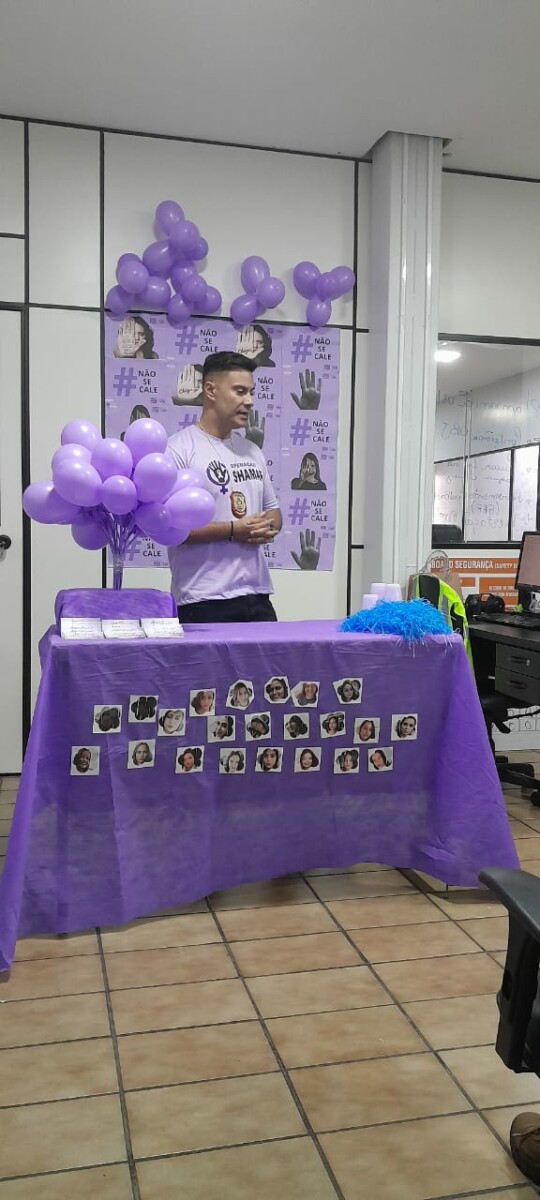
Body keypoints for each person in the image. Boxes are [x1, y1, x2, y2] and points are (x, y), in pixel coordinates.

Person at [167, 351, 282, 623]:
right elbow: (171, 529)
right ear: (210, 390)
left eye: (251, 392)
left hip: (257, 595)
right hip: (202, 599)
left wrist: (265, 527)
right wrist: (232, 530)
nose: (249, 401)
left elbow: (274, 513)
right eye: (240, 391)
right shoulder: (178, 449)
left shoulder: (252, 450)